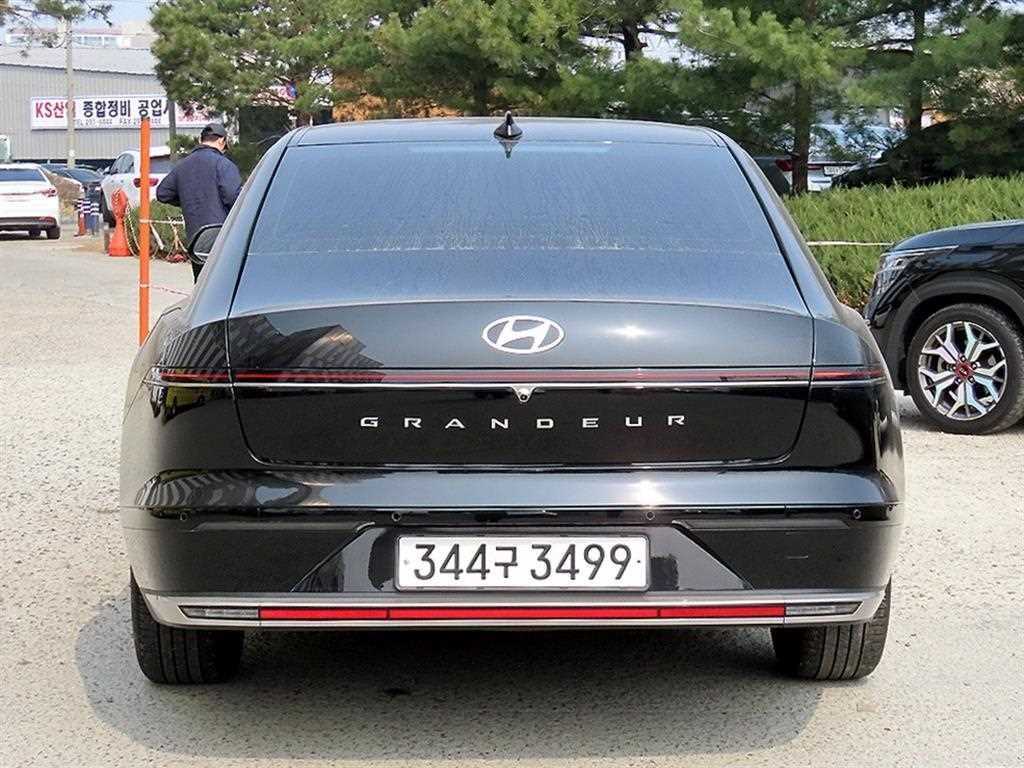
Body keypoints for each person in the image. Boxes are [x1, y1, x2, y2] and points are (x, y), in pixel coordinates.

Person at [156, 122, 242, 280]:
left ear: (200, 140)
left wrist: (189, 199)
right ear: (222, 141)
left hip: (195, 238)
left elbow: (163, 193)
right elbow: (233, 197)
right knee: (224, 283)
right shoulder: (224, 164)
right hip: (222, 236)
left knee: (202, 285)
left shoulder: (183, 165)